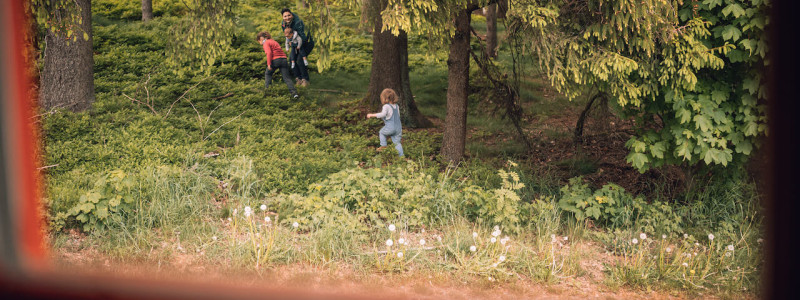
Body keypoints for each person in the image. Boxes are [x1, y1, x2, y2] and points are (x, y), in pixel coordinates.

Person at [256, 31, 298, 99]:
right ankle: (294, 93)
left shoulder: (266, 43)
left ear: (261, 38)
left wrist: (269, 64)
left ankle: (268, 92)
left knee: (268, 74)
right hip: (284, 59)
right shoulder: (273, 41)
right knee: (286, 78)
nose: (259, 43)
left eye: (258, 41)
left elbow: (269, 53)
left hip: (275, 60)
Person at [366, 88, 404, 157]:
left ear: (384, 98)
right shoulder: (396, 106)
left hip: (391, 127)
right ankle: (401, 157)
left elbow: (382, 114)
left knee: (382, 132)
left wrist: (372, 115)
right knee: (397, 143)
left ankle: (383, 146)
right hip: (398, 128)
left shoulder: (386, 106)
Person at [280, 8, 313, 86]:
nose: (287, 17)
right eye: (285, 16)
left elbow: (303, 38)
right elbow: (287, 35)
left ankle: (305, 80)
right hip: (295, 43)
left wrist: (294, 43)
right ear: (282, 17)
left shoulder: (298, 22)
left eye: (289, 15)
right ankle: (299, 79)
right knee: (292, 60)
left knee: (300, 59)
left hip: (306, 42)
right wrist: (289, 41)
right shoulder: (283, 24)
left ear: (291, 14)